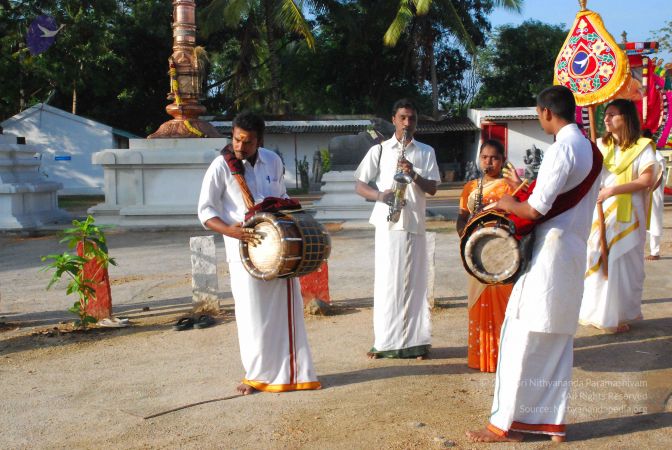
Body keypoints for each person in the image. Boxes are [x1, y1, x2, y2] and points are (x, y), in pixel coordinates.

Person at [466, 85, 601, 443]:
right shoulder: (591, 150)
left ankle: (503, 425)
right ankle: (552, 423)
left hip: (548, 256)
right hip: (573, 251)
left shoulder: (562, 149)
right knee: (557, 341)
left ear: (546, 112)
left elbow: (534, 210)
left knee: (518, 339)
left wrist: (507, 202)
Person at [197, 111, 320, 394]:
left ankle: (295, 373)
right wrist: (231, 231)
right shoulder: (220, 166)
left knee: (285, 311)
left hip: (279, 249)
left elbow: (283, 198)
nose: (240, 146)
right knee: (252, 314)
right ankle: (256, 376)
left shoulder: (273, 160)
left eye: (248, 142)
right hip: (243, 250)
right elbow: (205, 212)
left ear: (259, 140)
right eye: (236, 140)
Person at [354, 98, 441, 359]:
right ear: (393, 119)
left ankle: (415, 342)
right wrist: (381, 196)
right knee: (387, 284)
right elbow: (360, 185)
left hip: (414, 223)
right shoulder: (379, 150)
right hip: (388, 224)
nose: (407, 123)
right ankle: (384, 342)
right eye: (402, 117)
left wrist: (413, 174)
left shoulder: (426, 151)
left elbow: (433, 188)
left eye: (412, 118)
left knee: (415, 284)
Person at [579, 99, 659, 333]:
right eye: (605, 114)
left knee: (623, 263)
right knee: (596, 257)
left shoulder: (642, 146)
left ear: (626, 117)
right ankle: (597, 314)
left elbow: (646, 180)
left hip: (628, 212)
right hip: (600, 210)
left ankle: (618, 316)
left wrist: (612, 191)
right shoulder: (599, 145)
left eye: (613, 114)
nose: (606, 119)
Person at [457, 139, 520, 373]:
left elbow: (521, 215)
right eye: (484, 157)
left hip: (504, 257)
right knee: (478, 304)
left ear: (503, 160)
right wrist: (465, 236)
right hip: (477, 254)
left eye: (494, 158)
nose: (489, 162)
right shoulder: (471, 187)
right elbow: (462, 217)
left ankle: (507, 358)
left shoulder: (511, 187)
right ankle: (480, 358)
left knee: (507, 306)